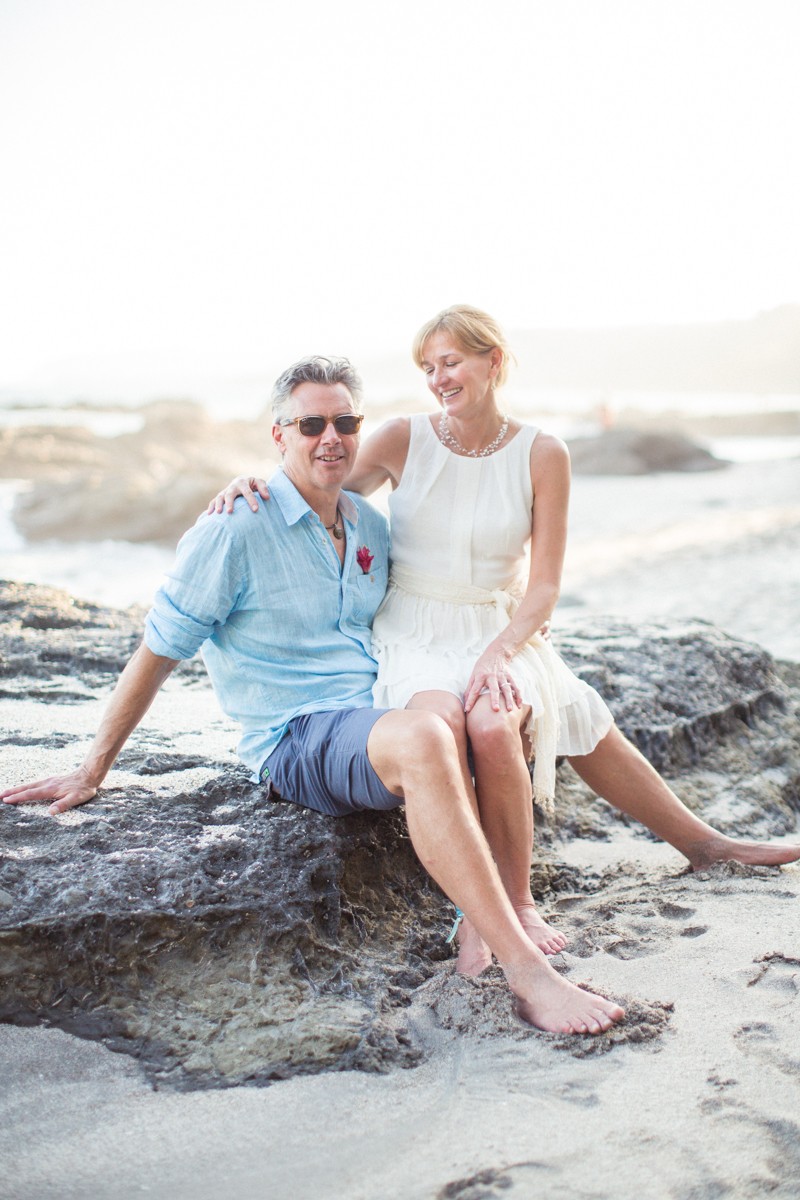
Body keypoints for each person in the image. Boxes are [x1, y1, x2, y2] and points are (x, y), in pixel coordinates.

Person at [1, 354, 628, 1037]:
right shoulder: (235, 529)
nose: (330, 437)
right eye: (310, 424)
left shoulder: (368, 526)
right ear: (279, 436)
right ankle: (526, 972)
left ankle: (481, 919)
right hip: (297, 736)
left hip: (373, 717)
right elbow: (157, 652)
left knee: (479, 713)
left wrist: (507, 649)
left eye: (344, 421)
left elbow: (450, 580)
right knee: (426, 736)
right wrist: (93, 769)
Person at [208, 307, 800, 975]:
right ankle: (479, 911)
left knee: (516, 720)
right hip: (415, 629)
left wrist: (501, 651)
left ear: (493, 361)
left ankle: (632, 865)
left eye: (451, 362)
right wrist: (249, 481)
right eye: (428, 368)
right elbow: (320, 479)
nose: (438, 378)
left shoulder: (544, 452)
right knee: (446, 727)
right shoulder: (404, 438)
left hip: (498, 626)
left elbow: (544, 586)